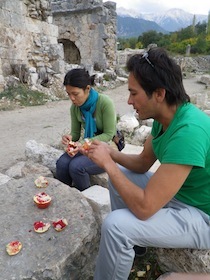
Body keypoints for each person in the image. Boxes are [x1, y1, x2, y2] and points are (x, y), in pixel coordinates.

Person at [81, 47, 210, 279]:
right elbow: (142, 162)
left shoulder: (188, 131)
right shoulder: (165, 118)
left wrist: (108, 165)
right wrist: (110, 155)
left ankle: (125, 238)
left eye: (133, 93)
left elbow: (145, 207)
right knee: (121, 175)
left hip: (202, 215)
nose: (129, 101)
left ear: (159, 94)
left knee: (115, 226)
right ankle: (135, 245)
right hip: (180, 195)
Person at [56, 68, 116, 191]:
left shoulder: (104, 103)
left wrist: (83, 143)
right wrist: (70, 138)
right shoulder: (75, 108)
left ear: (87, 89)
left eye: (75, 94)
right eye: (69, 94)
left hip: (107, 149)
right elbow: (76, 133)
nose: (72, 98)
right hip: (87, 148)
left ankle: (85, 200)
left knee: (76, 167)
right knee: (61, 164)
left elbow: (109, 134)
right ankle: (65, 195)